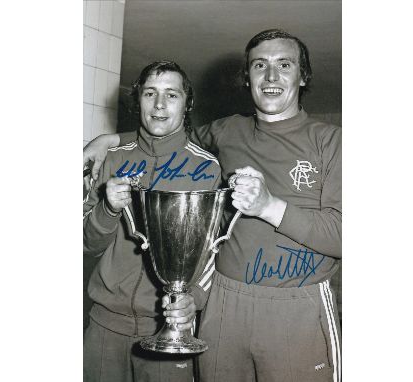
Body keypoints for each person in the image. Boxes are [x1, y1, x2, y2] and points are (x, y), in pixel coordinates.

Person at [84, 29, 341, 382]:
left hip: (295, 304)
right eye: (259, 65)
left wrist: (269, 206)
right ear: (246, 77)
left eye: (284, 64)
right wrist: (108, 140)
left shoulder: (333, 140)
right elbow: (168, 134)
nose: (270, 76)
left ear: (303, 75)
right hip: (224, 305)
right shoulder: (226, 131)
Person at [83, 60, 221, 382]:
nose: (159, 105)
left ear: (187, 104)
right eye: (150, 93)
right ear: (138, 100)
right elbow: (85, 244)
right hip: (105, 326)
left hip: (168, 330)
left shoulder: (208, 168)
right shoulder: (111, 159)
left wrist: (193, 300)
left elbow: (214, 252)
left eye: (171, 95)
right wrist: (107, 208)